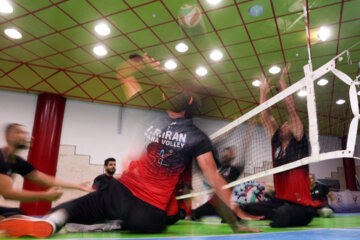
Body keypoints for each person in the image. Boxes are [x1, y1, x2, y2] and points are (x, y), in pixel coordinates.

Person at [0, 60, 263, 237]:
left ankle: (53, 221)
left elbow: (123, 73)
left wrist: (142, 62)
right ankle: (110, 222)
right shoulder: (198, 137)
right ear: (190, 102)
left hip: (120, 193)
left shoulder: (150, 115)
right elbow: (215, 180)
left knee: (73, 208)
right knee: (147, 221)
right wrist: (235, 224)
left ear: (163, 97)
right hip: (149, 215)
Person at [238, 65, 316, 227]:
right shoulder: (277, 143)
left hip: (301, 205)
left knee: (282, 215)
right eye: (283, 125)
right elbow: (265, 115)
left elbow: (291, 110)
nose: (284, 125)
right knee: (241, 208)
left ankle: (272, 215)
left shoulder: (299, 142)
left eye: (289, 124)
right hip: (279, 201)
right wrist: (263, 92)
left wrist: (283, 84)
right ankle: (267, 214)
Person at [0, 123, 92, 219]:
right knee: (11, 219)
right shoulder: (1, 158)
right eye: (19, 132)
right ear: (7, 136)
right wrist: (45, 195)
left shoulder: (17, 161)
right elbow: (8, 193)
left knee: (18, 214)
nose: (27, 136)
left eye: (25, 133)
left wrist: (77, 186)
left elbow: (46, 179)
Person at [191, 146, 242, 221]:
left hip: (226, 205)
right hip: (213, 203)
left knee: (234, 218)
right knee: (194, 215)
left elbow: (228, 180)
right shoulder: (218, 168)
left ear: (232, 156)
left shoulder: (234, 169)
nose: (225, 155)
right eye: (225, 153)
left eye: (229, 153)